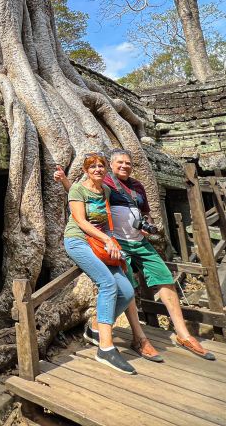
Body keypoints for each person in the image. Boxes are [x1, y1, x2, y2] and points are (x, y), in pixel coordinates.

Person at [91, 149, 215, 360]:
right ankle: (139, 338)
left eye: (128, 163)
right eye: (119, 162)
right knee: (129, 287)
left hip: (140, 242)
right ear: (110, 165)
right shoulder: (105, 184)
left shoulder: (137, 187)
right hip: (117, 243)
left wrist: (148, 225)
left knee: (165, 278)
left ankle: (183, 334)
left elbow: (145, 211)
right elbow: (85, 201)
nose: (124, 166)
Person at [54, 153, 137, 374]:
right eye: (93, 167)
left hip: (101, 244)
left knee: (127, 292)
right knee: (108, 284)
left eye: (101, 166)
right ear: (85, 170)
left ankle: (94, 329)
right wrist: (107, 239)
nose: (98, 169)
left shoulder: (106, 191)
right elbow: (80, 221)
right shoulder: (77, 189)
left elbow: (105, 221)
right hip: (78, 241)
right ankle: (106, 348)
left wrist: (112, 244)